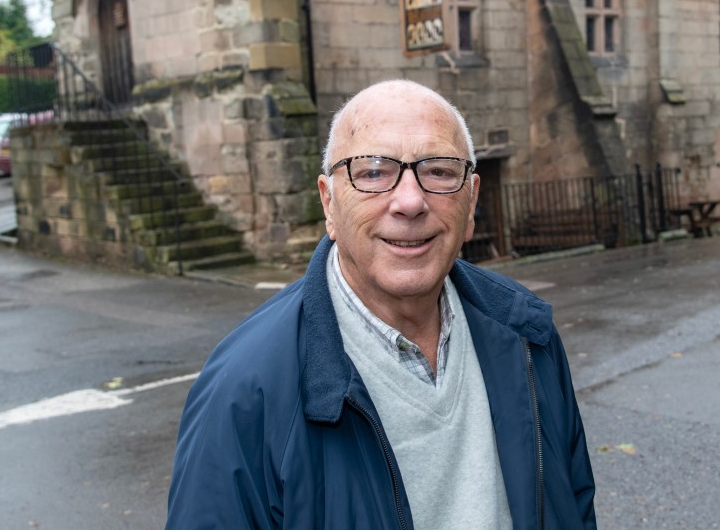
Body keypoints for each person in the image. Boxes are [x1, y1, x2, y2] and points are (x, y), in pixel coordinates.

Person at [165, 80, 596, 529]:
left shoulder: (528, 334)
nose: (410, 201)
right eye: (372, 172)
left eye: (439, 171)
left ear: (471, 202)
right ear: (329, 204)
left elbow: (574, 508)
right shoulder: (243, 389)